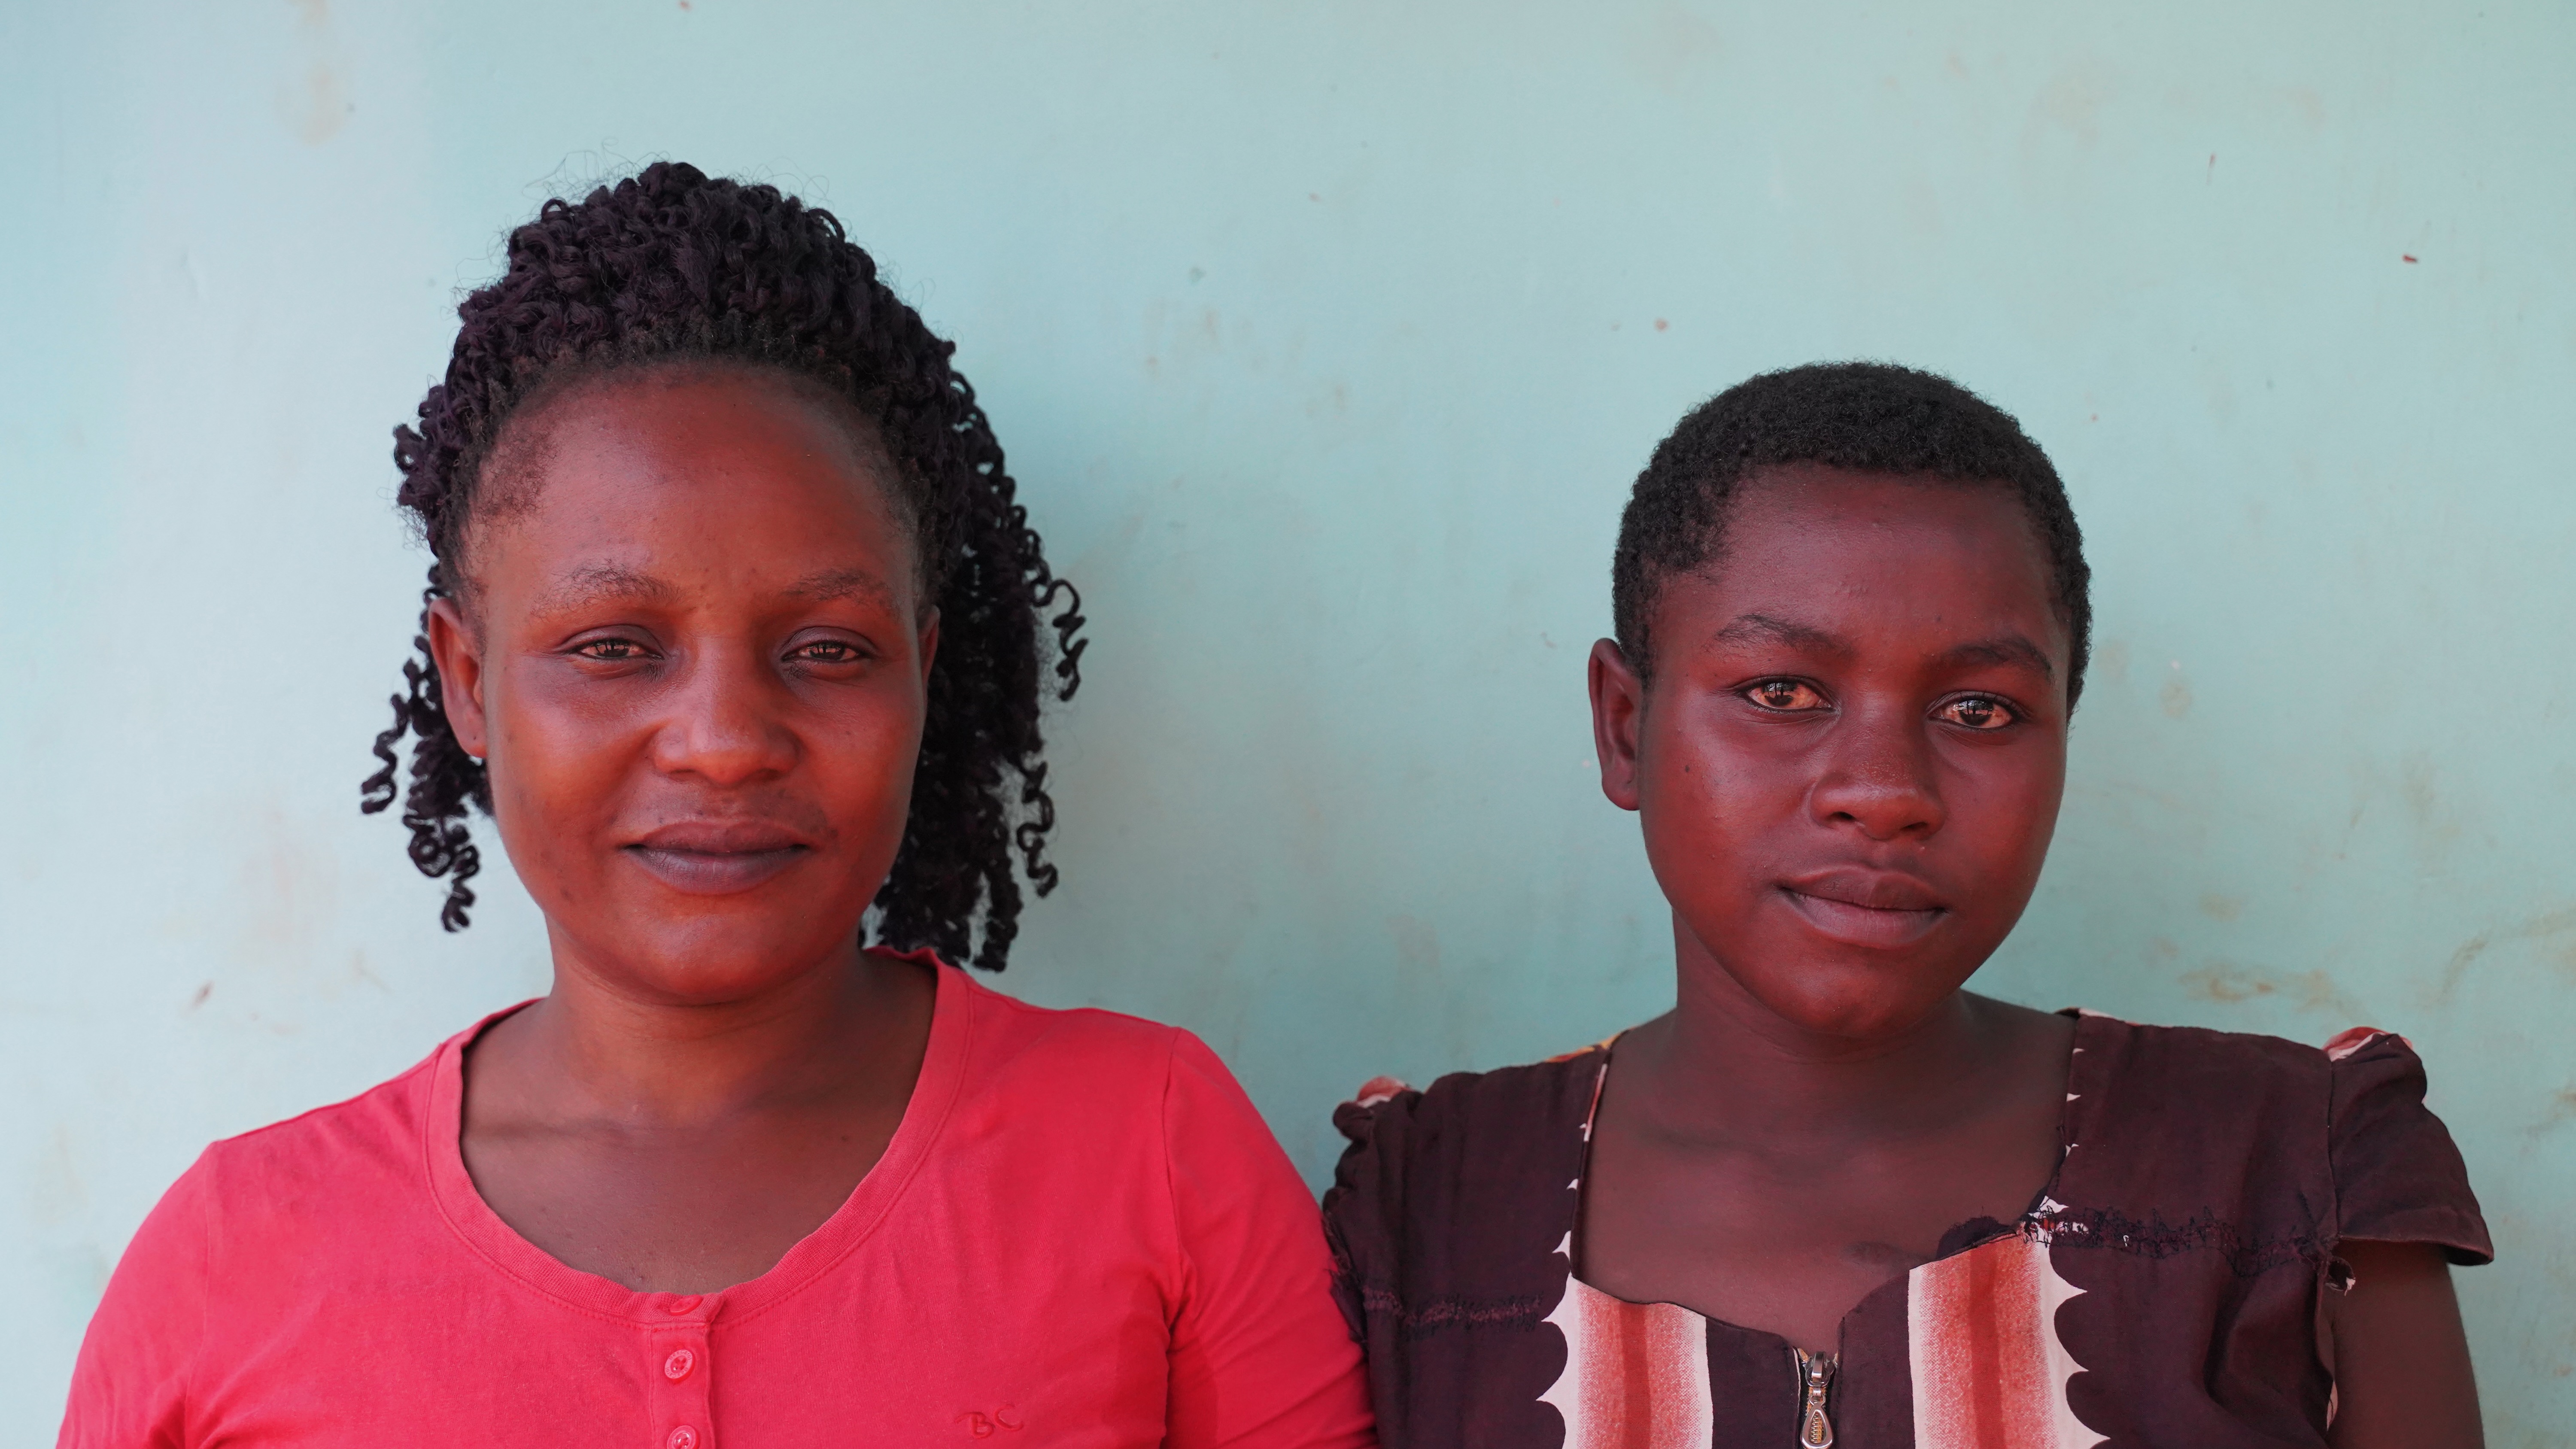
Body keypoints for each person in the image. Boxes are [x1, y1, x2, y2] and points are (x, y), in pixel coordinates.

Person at [61, 163, 1373, 1449]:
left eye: (827, 650)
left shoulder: (1146, 1150)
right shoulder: (239, 1255)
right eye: (616, 646)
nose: (727, 743)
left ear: (923, 671)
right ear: (467, 681)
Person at [1324, 363, 2488, 1449]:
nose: (1885, 794)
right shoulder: (1428, 1207)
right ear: (1625, 728)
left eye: (1980, 711)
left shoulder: (2298, 1179)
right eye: (1782, 692)